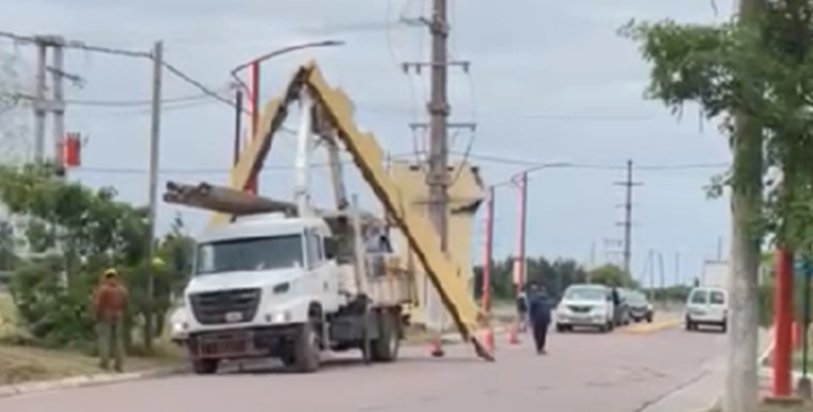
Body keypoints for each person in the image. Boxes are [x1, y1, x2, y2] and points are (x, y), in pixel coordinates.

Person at [92, 268, 128, 372]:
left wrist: (97, 315)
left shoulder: (103, 289)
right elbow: (125, 304)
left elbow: (99, 304)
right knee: (118, 340)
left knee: (104, 339)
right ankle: (119, 364)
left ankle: (105, 363)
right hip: (118, 314)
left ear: (106, 277)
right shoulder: (122, 290)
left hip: (106, 315)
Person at [527, 283, 552, 355]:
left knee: (537, 334)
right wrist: (549, 319)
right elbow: (548, 310)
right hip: (544, 319)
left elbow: (531, 310)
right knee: (543, 334)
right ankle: (541, 347)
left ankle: (539, 347)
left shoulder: (534, 299)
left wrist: (530, 319)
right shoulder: (547, 300)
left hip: (537, 319)